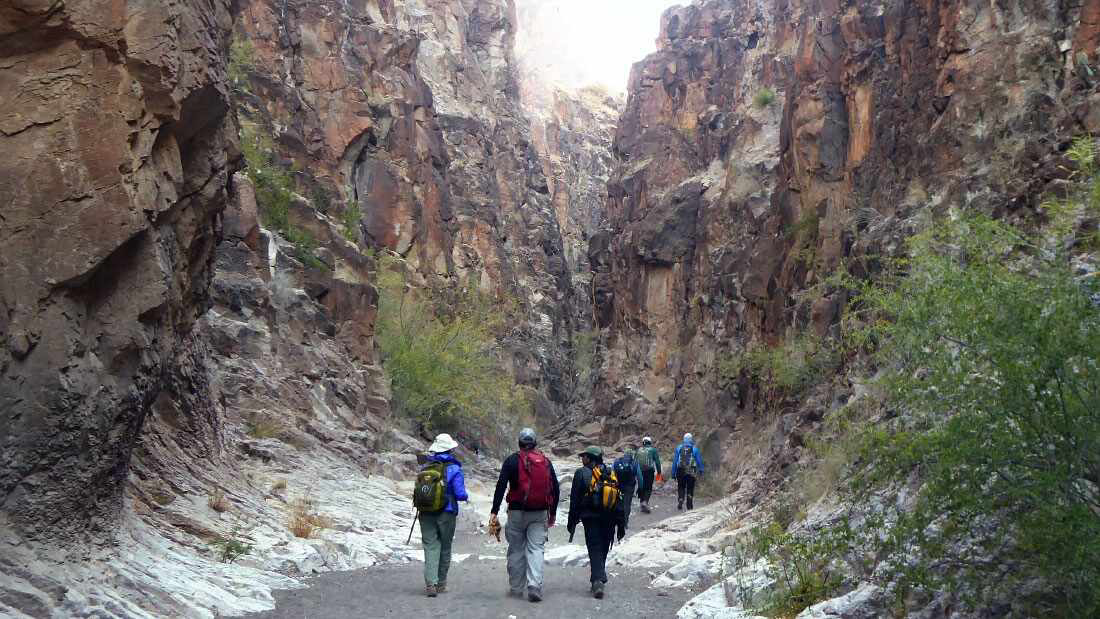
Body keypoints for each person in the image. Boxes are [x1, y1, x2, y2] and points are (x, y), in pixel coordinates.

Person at [489, 428, 560, 602]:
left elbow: (501, 485)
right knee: (536, 548)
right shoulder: (545, 461)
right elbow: (555, 489)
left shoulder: (512, 461)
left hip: (516, 513)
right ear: (535, 443)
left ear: (519, 443)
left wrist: (494, 510)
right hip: (540, 512)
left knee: (516, 549)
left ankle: (516, 588)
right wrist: (552, 514)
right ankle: (534, 585)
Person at [567, 446, 626, 599]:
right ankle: (597, 578)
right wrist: (621, 524)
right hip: (610, 517)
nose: (582, 459)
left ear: (590, 458)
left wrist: (572, 520)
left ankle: (598, 580)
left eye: (584, 456)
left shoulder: (581, 473)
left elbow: (575, 499)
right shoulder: (610, 472)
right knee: (604, 547)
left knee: (594, 547)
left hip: (590, 517)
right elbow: (620, 498)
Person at [419, 433, 469, 597]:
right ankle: (440, 584)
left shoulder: (425, 467)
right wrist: (465, 497)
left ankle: (430, 583)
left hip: (425, 512)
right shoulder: (454, 468)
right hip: (446, 513)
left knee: (430, 546)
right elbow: (460, 494)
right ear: (451, 449)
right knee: (445, 547)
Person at [671, 432, 704, 510]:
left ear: (684, 439)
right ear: (691, 440)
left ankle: (681, 498)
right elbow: (699, 461)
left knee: (681, 486)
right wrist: (701, 470)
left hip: (680, 470)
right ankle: (689, 505)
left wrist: (673, 473)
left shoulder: (679, 448)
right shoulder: (695, 449)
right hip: (691, 471)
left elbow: (675, 462)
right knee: (690, 488)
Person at [611, 445, 641, 527]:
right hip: (629, 487)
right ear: (632, 455)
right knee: (627, 504)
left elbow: (612, 473)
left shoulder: (617, 461)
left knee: (617, 502)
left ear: (624, 454)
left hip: (618, 485)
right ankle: (625, 522)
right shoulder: (635, 463)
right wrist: (640, 488)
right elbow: (639, 476)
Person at [635, 436, 662, 513]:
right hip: (649, 471)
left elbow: (634, 461)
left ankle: (641, 503)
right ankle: (645, 502)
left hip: (639, 471)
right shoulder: (653, 450)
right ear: (650, 442)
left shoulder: (639, 450)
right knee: (648, 487)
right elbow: (657, 461)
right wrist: (659, 472)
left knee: (641, 486)